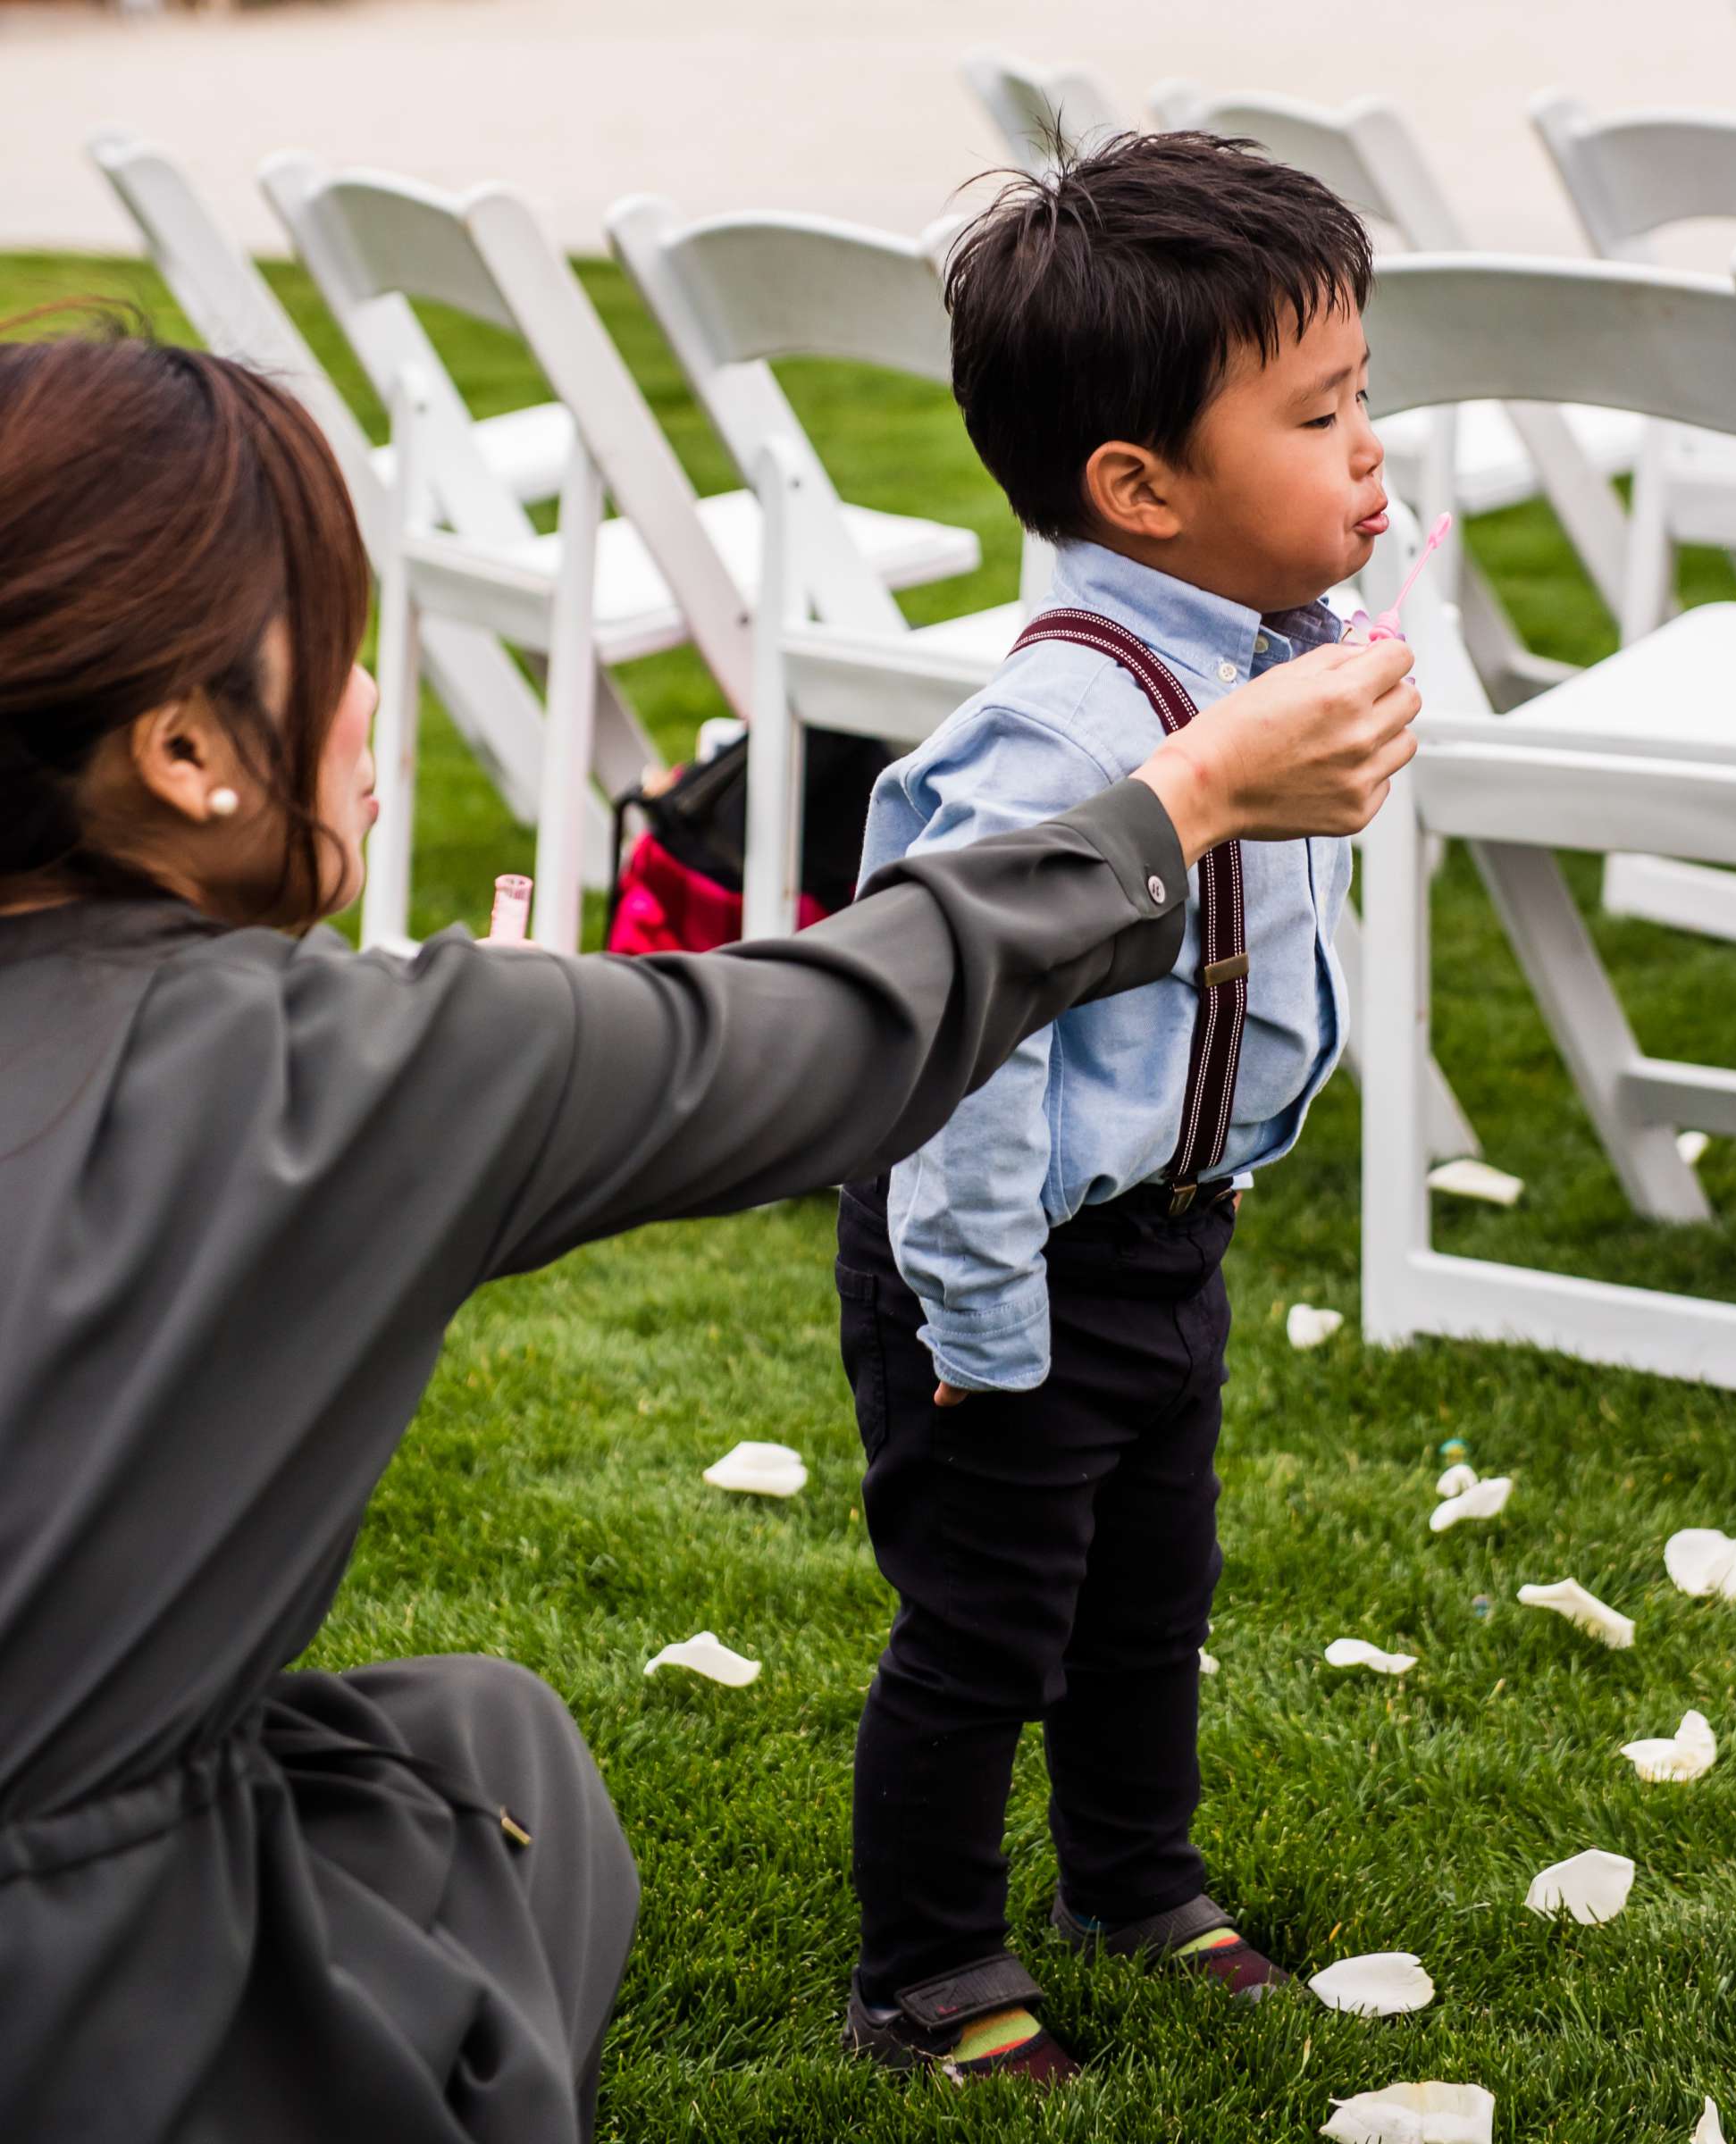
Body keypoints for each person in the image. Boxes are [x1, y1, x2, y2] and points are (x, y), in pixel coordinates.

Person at [0, 326, 1420, 2143]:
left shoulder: (352, 1070)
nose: (369, 706)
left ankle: (1123, 1878)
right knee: (526, 1774)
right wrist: (1189, 802)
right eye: (340, 649)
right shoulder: (339, 1074)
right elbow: (841, 1032)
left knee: (456, 1735)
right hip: (69, 1990)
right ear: (188, 749)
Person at [833, 134, 1398, 2081]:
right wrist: (978, 1324)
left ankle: (1132, 1879)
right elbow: (966, 1052)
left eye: (1363, 399)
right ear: (1140, 491)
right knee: (989, 1626)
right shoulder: (1063, 739)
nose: (1368, 453)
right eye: (1319, 414)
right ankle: (927, 1973)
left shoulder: (1269, 663)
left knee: (1153, 1595)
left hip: (1166, 1237)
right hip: (1003, 1265)